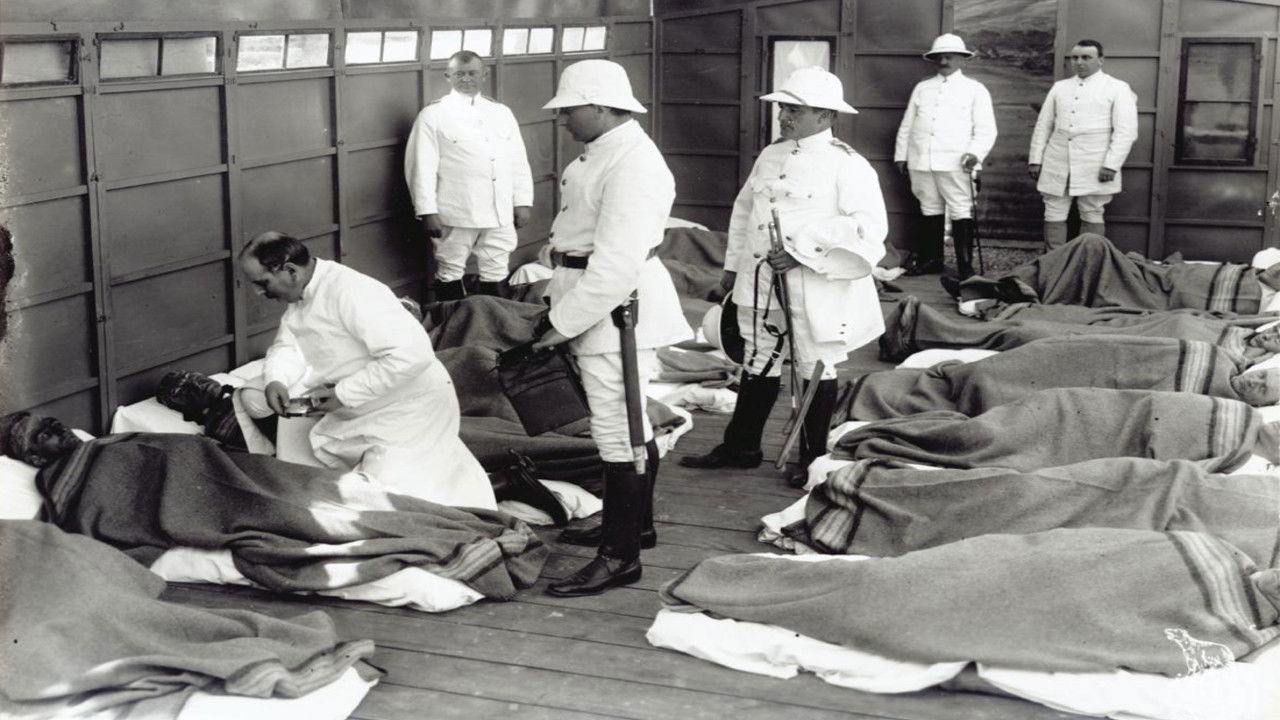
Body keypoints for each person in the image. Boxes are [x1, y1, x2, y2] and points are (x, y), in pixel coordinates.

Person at [679, 67, 888, 488]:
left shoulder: (848, 165)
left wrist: (800, 250)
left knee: (814, 365)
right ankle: (741, 447)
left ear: (826, 116)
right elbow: (744, 214)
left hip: (815, 284)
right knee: (758, 359)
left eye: (795, 110)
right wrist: (731, 270)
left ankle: (811, 458)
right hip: (758, 280)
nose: (784, 116)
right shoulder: (770, 156)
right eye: (783, 108)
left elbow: (869, 227)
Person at [531, 59, 692, 597]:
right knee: (628, 418)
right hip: (592, 298)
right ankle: (635, 527)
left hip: (615, 309)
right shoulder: (605, 151)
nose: (563, 119)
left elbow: (617, 265)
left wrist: (560, 324)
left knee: (617, 429)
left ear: (600, 107)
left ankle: (619, 557)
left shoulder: (633, 164)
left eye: (570, 110)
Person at [237, 231, 495, 508]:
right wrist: (276, 379)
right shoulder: (301, 296)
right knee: (319, 480)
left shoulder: (350, 291)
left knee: (400, 503)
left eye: (262, 283)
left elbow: (412, 355)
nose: (259, 292)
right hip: (364, 403)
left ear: (290, 271)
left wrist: (344, 393)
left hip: (410, 407)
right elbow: (288, 345)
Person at [404, 50, 534, 300]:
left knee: (497, 269)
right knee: (450, 270)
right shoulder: (433, 115)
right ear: (447, 76)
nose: (466, 79)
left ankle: (495, 321)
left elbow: (518, 160)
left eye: (472, 73)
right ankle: (453, 322)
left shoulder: (501, 112)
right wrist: (427, 211)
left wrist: (522, 202)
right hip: (457, 211)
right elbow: (421, 166)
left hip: (499, 211)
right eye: (459, 74)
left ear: (484, 75)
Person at [894, 33, 997, 279]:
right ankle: (932, 260)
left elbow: (986, 129)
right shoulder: (922, 88)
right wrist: (901, 154)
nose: (943, 61)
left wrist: (975, 154)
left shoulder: (975, 89)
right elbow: (908, 124)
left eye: (949, 56)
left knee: (961, 209)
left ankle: (965, 266)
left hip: (956, 162)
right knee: (929, 207)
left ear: (961, 59)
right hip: (921, 159)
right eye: (939, 57)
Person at [1028, 39, 1138, 250]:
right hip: (1057, 158)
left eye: (1086, 57)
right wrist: (1035, 159)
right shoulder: (1060, 87)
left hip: (1095, 159)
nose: (1079, 62)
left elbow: (1126, 131)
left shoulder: (1117, 88)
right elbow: (1043, 125)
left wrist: (1111, 164)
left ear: (1100, 60)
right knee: (1053, 208)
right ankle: (1054, 261)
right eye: (1075, 58)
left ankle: (1089, 260)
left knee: (1092, 209)